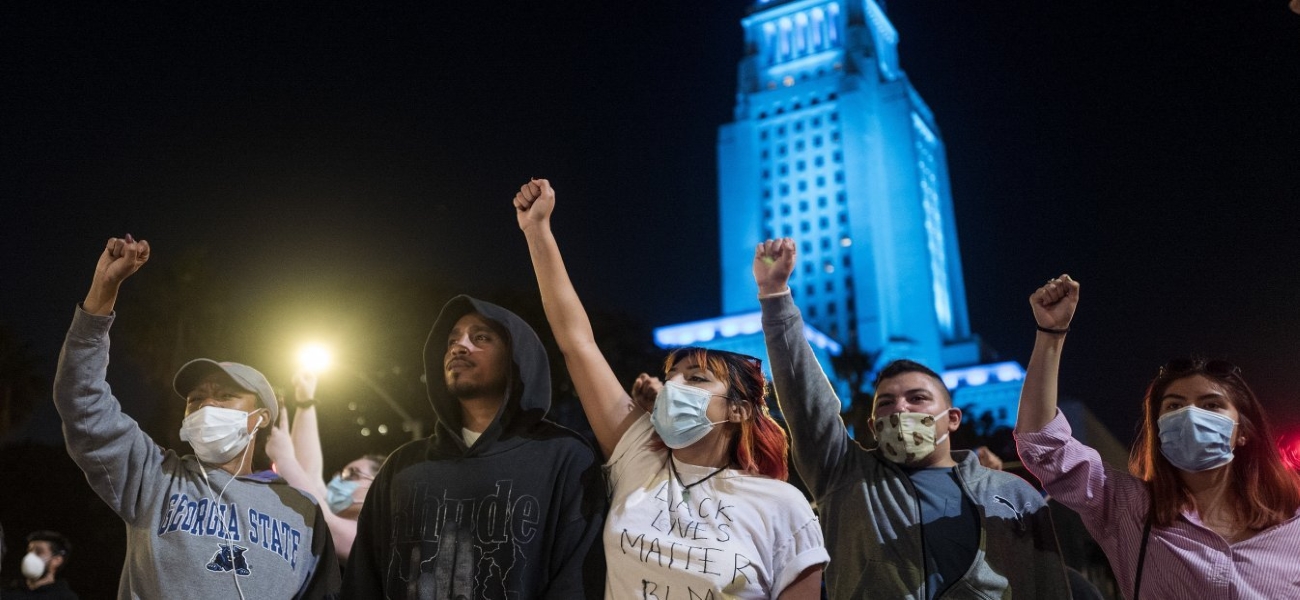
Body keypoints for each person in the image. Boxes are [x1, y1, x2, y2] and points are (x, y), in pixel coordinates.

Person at [516, 179, 828, 599]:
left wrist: (774, 295)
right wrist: (538, 231)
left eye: (696, 378)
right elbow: (578, 343)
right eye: (673, 375)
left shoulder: (784, 507)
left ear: (738, 410)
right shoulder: (637, 455)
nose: (673, 386)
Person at [752, 238, 1071, 599]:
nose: (900, 409)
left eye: (917, 398)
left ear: (952, 418)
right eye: (886, 402)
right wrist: (775, 294)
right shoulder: (846, 477)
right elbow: (807, 402)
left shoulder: (1011, 494)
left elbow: (1048, 587)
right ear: (872, 426)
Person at [51, 235, 340, 599]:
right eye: (196, 399)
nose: (206, 407)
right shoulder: (153, 477)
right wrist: (102, 292)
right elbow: (81, 399)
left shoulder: (302, 510)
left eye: (226, 396)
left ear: (260, 418)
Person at [1014, 274, 1300, 598]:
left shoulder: (1293, 522)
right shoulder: (1127, 507)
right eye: (1175, 406)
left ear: (1244, 431)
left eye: (1211, 405)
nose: (1191, 416)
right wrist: (1051, 334)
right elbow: (1044, 444)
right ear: (1159, 428)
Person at [341, 293, 606, 599]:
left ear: (517, 358)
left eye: (481, 337)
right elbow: (363, 579)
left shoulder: (564, 457)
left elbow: (577, 581)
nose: (459, 346)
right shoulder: (403, 467)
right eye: (453, 339)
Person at [265, 369, 384, 563]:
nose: (339, 479)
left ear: (378, 487)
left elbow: (325, 522)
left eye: (351, 474)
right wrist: (305, 402)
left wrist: (284, 458)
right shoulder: (335, 515)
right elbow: (307, 474)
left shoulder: (377, 537)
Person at [3, 531, 79, 600]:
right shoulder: (7, 593)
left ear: (56, 561)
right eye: (29, 551)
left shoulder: (66, 597)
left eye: (39, 552)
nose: (30, 557)